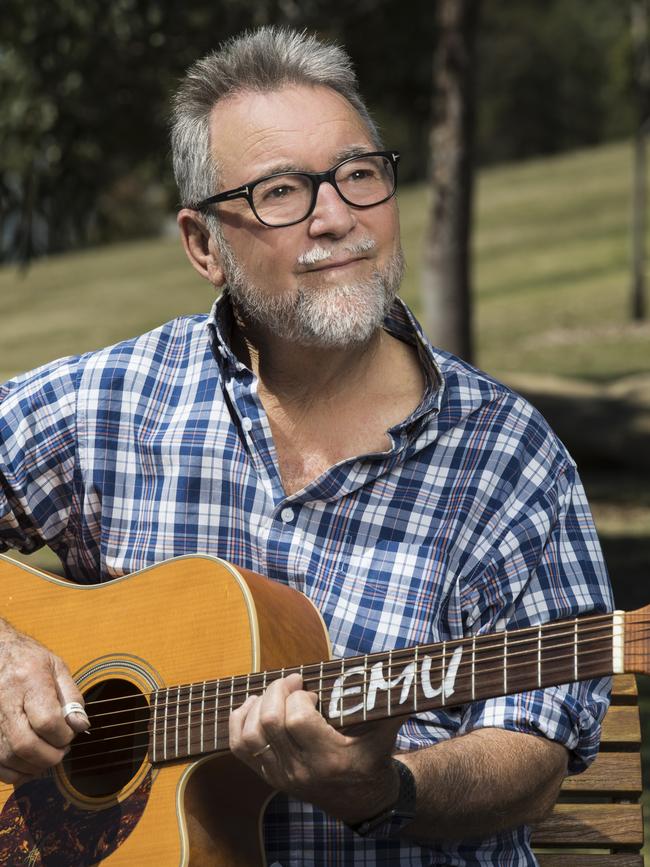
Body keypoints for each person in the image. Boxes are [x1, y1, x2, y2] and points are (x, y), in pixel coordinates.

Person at [0, 26, 613, 867]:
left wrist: (386, 789)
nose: (338, 218)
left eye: (359, 174)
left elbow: (534, 752)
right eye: (282, 191)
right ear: (203, 244)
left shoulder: (508, 456)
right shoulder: (111, 401)